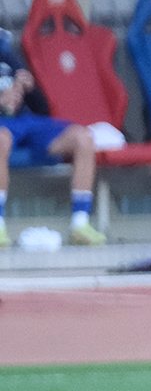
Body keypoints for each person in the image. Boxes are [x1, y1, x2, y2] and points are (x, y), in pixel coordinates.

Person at [0, 30, 105, 247]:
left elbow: (42, 109)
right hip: (3, 128)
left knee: (83, 138)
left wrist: (29, 89)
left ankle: (80, 224)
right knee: (1, 140)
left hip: (26, 121)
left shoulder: (8, 57)